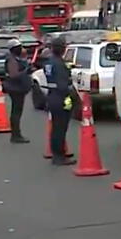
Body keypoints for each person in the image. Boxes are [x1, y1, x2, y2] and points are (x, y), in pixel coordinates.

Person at [44, 37, 77, 166]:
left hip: (52, 95)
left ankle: (58, 153)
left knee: (56, 128)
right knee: (60, 128)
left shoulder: (49, 62)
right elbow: (64, 85)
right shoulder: (59, 64)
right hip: (61, 97)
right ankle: (59, 156)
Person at [4, 39, 31, 144]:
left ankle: (16, 134)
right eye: (19, 47)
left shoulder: (16, 58)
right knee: (16, 112)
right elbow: (14, 75)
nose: (21, 49)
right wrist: (26, 71)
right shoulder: (11, 60)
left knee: (17, 111)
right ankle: (15, 135)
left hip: (18, 88)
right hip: (15, 89)